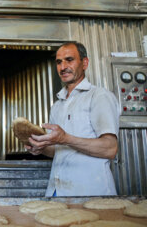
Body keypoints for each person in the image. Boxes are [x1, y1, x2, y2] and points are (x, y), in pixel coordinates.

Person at [25, 42, 120, 197]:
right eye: (59, 62)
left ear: (85, 63)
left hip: (92, 194)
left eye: (69, 60)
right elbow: (58, 151)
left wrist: (65, 138)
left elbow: (110, 148)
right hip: (57, 192)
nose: (63, 67)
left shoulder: (99, 96)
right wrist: (40, 148)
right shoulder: (57, 105)